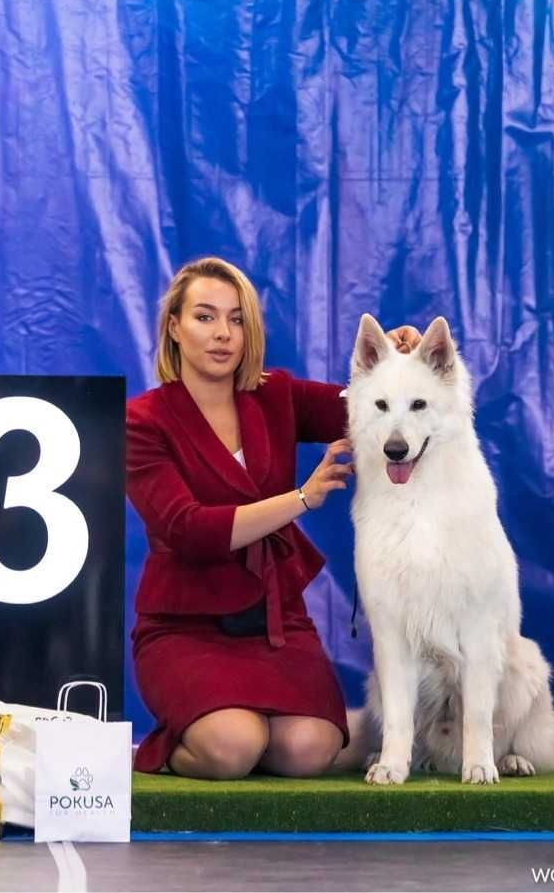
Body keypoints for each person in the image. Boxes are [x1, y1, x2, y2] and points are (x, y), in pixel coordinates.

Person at [126, 256, 421, 779]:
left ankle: (246, 728)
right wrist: (303, 498)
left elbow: (366, 407)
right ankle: (170, 749)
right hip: (185, 629)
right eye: (205, 317)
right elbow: (189, 529)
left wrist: (396, 368)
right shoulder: (142, 421)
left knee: (310, 751)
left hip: (275, 624)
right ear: (173, 327)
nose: (223, 334)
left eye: (236, 320)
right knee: (232, 747)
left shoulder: (275, 394)